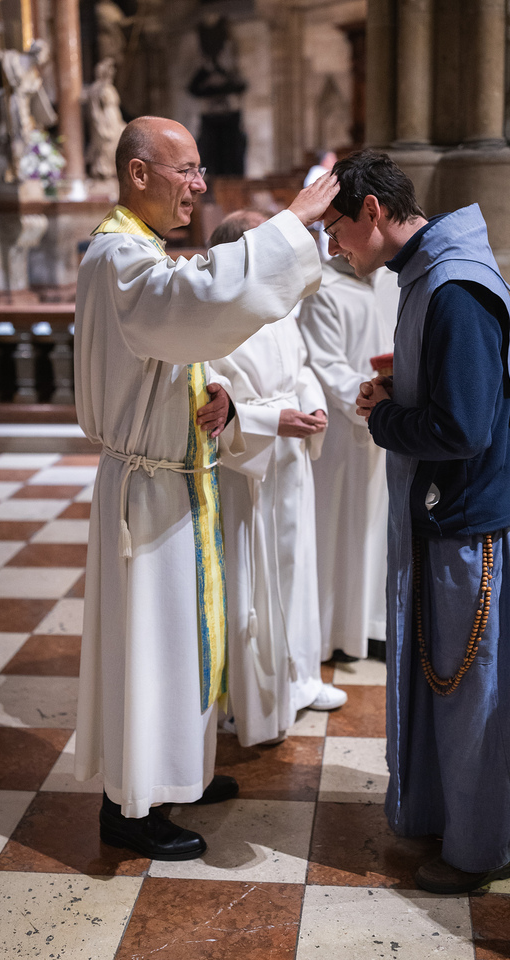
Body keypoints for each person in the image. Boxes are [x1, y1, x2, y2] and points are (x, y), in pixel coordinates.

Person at [73, 116, 339, 861]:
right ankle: (131, 806)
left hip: (175, 482)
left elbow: (171, 350)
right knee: (151, 649)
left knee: (183, 643)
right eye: (184, 169)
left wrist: (210, 391)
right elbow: (191, 303)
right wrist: (290, 225)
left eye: (199, 170)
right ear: (138, 174)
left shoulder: (141, 252)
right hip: (148, 496)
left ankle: (176, 772)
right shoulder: (119, 256)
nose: (197, 185)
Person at [324, 149, 510, 894]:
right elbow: (460, 395)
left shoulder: (453, 287)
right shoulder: (426, 273)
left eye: (335, 229)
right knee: (447, 685)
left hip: (469, 524)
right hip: (450, 517)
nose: (333, 246)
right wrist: (403, 386)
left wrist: (385, 417)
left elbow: (462, 430)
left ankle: (485, 849)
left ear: (371, 211)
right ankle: (452, 816)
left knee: (471, 689)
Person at [209, 210, 348, 747]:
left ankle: (300, 677)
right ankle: (252, 701)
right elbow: (209, 402)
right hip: (248, 467)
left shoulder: (279, 305)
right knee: (254, 582)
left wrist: (313, 406)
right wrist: (273, 422)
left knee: (296, 567)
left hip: (291, 462)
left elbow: (303, 368)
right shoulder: (214, 318)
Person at [298, 254, 395, 661]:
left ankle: (374, 627)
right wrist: (371, 396)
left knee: (377, 529)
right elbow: (325, 363)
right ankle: (334, 633)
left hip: (390, 424)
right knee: (339, 528)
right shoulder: (324, 290)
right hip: (344, 431)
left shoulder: (394, 282)